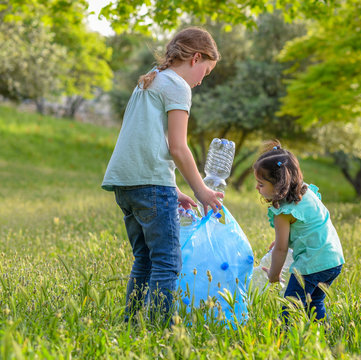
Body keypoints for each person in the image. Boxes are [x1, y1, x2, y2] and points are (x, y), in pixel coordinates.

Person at [101, 27, 223, 324]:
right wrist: (200, 191)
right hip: (150, 184)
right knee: (167, 261)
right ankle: (156, 329)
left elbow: (151, 142)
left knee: (144, 260)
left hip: (126, 184)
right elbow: (179, 148)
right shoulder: (177, 85)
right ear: (196, 58)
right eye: (204, 74)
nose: (199, 82)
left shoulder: (152, 78)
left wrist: (172, 188)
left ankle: (131, 323)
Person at [253, 140, 345, 322]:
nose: (257, 187)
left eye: (261, 184)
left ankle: (287, 337)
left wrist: (274, 274)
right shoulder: (307, 193)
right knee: (315, 302)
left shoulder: (282, 213)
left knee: (291, 305)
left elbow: (281, 249)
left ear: (278, 184)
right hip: (333, 260)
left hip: (312, 264)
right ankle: (321, 332)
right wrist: (285, 239)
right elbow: (308, 226)